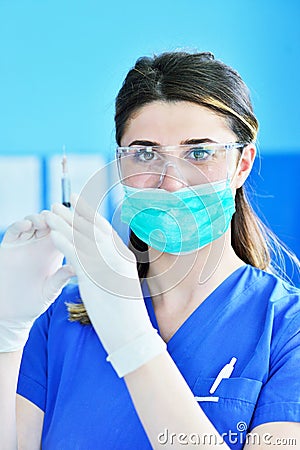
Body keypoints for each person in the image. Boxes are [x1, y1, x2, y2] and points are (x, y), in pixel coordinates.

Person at [0, 51, 299, 450]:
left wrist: (135, 343)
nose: (171, 182)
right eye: (145, 153)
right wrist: (6, 334)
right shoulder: (59, 318)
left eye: (199, 153)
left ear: (242, 164)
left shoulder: (286, 328)